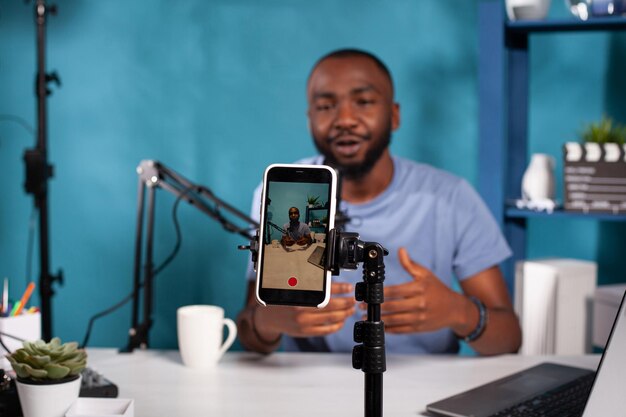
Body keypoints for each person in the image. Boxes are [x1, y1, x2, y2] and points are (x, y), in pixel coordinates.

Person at [237, 49, 522, 356]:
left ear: (394, 115)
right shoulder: (282, 191)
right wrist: (271, 319)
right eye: (325, 106)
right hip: (309, 389)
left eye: (364, 101)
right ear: (310, 120)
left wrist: (458, 312)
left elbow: (509, 339)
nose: (344, 120)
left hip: (423, 386)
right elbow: (251, 336)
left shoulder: (450, 196)